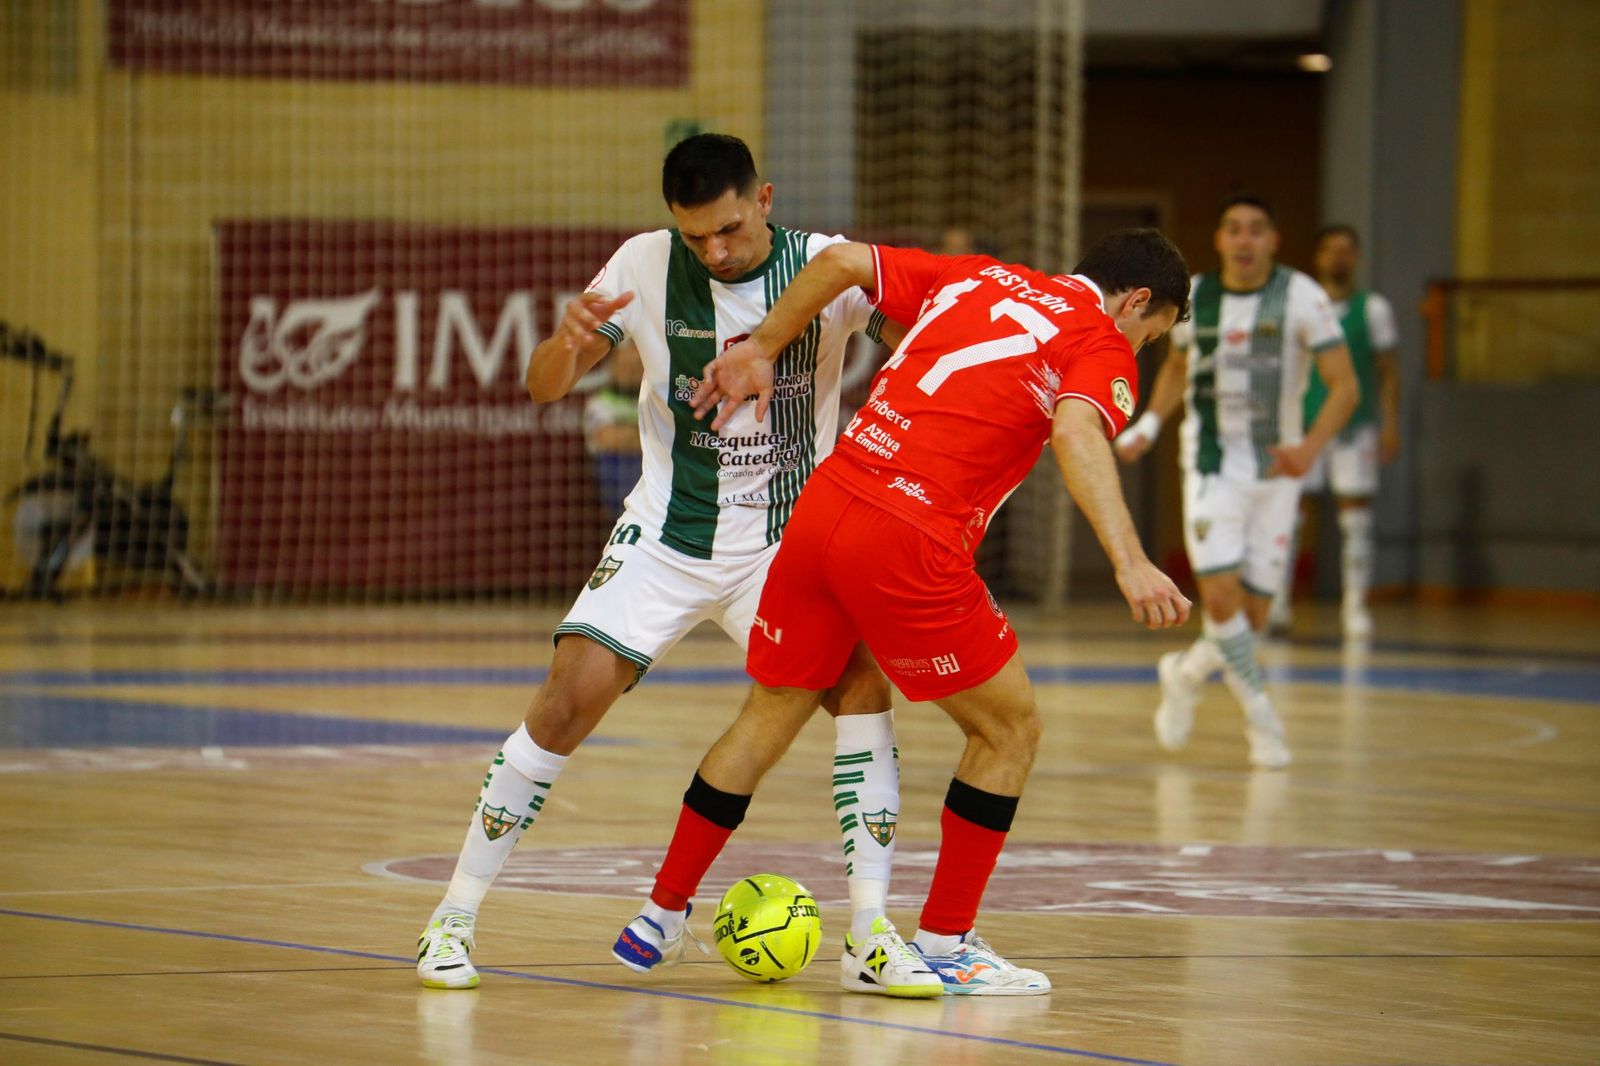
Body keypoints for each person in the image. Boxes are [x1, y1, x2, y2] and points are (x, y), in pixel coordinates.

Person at [612, 228, 1193, 996]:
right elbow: (1077, 429)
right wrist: (1130, 560)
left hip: (824, 507)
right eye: (1151, 336)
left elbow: (845, 261)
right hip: (909, 537)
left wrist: (760, 345)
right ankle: (948, 942)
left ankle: (658, 916)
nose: (1141, 349)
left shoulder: (981, 277)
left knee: (770, 710)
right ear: (1138, 300)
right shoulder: (1098, 340)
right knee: (1008, 729)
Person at [416, 133, 924, 996]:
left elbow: (922, 331)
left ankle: (873, 933)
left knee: (863, 685)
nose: (714, 252)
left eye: (728, 230)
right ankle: (453, 917)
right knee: (565, 700)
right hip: (669, 532)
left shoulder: (827, 268)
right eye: (695, 238)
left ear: (764, 199)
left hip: (786, 543)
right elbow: (545, 385)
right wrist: (565, 343)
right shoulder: (642, 264)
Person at [1114, 194, 1359, 769]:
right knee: (1220, 598)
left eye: (1256, 230)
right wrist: (1149, 424)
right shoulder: (1197, 296)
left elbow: (1344, 384)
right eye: (1233, 230)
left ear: (1273, 241)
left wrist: (1309, 448)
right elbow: (1176, 366)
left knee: (1250, 620)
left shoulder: (1302, 297)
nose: (1244, 240)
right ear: (1220, 240)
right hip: (1211, 466)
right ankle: (1263, 721)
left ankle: (1185, 670)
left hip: (1277, 473)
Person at [1270, 224, 1400, 640]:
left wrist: (1389, 423)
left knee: (1356, 519)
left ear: (1357, 258)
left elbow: (1389, 372)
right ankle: (1279, 603)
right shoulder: (1301, 305)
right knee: (1289, 515)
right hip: (1306, 424)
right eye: (1330, 250)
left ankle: (1355, 606)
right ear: (1318, 258)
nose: (1338, 258)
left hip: (1355, 427)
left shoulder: (1374, 309)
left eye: (1347, 251)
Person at [583, 340, 645, 518]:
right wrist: (648, 437)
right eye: (626, 364)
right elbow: (609, 439)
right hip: (616, 483)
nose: (631, 371)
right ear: (613, 365)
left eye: (637, 365)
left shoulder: (653, 402)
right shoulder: (599, 402)